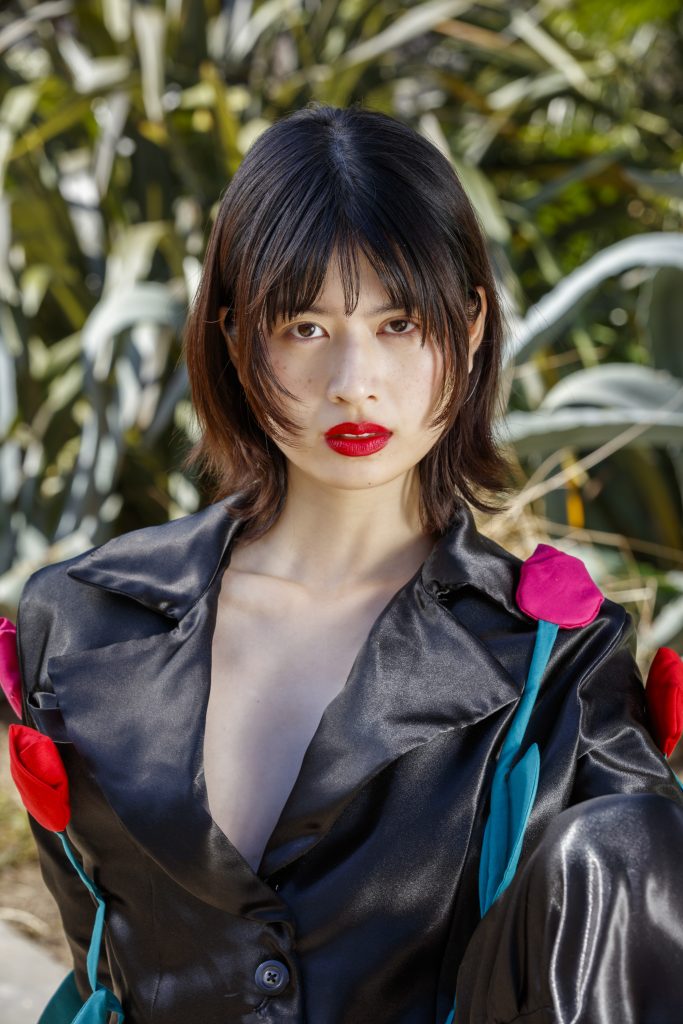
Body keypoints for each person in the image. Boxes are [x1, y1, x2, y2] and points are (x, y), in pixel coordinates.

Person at [11, 102, 683, 1024]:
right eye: (304, 327)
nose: (353, 382)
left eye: (399, 323)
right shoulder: (81, 618)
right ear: (233, 335)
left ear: (471, 326)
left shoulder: (557, 662)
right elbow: (100, 962)